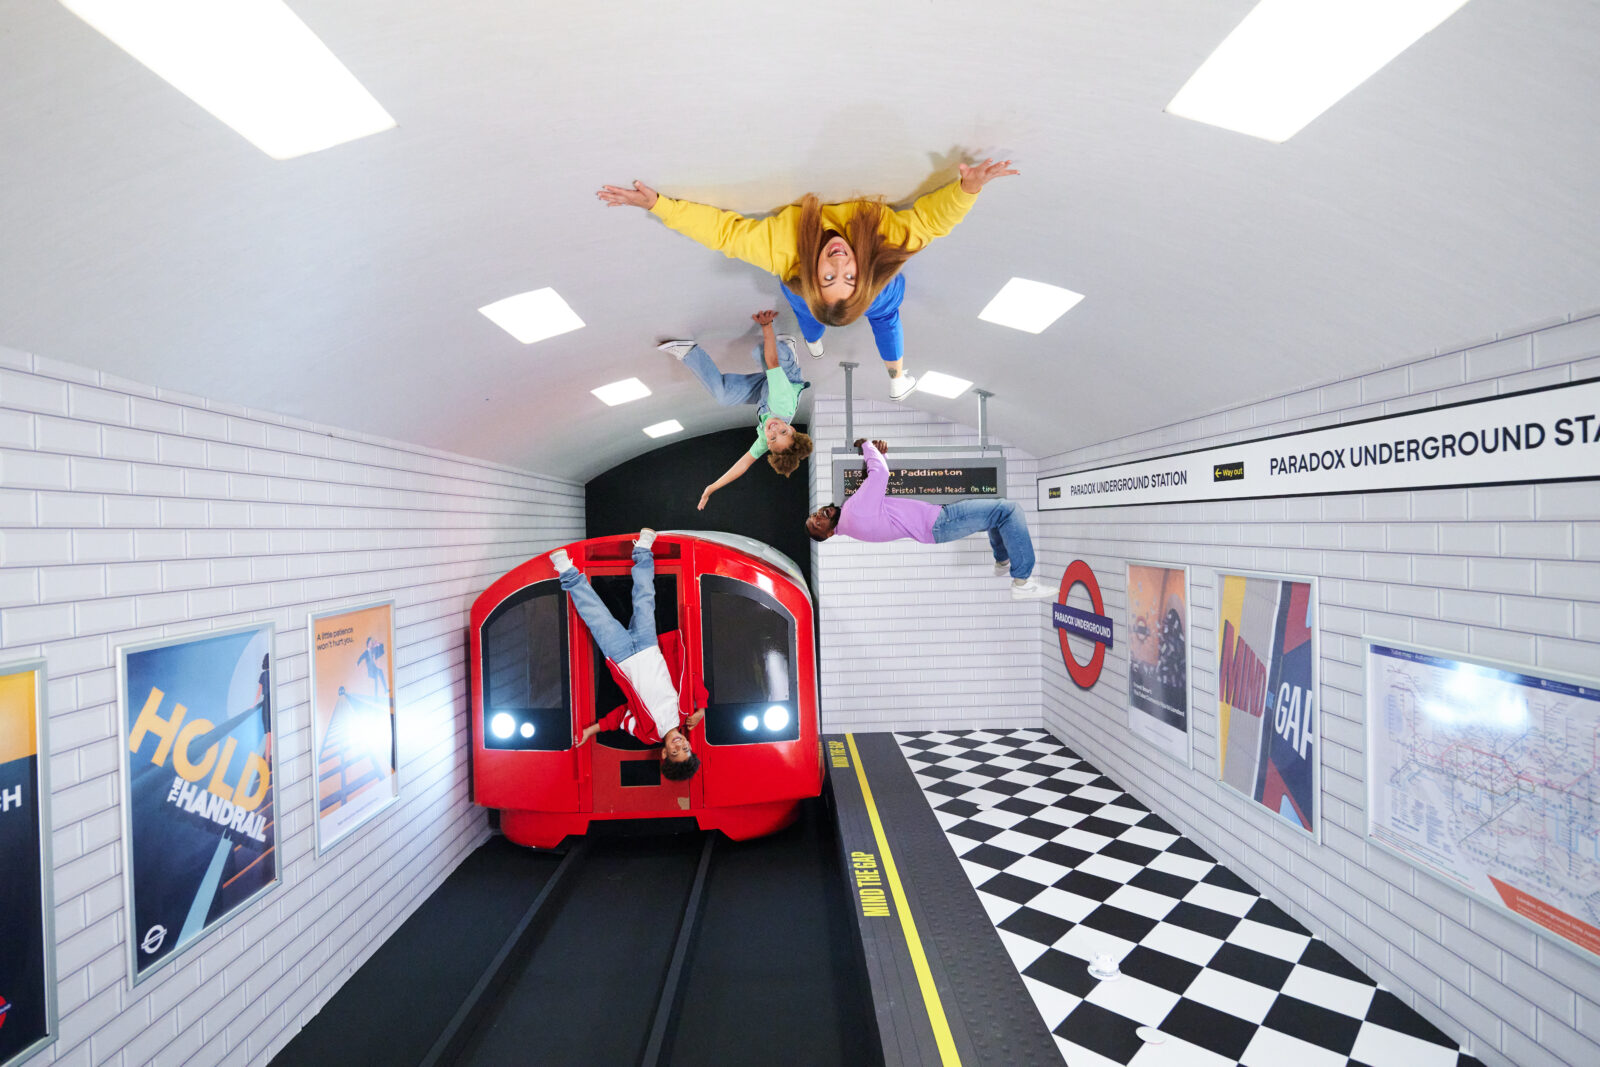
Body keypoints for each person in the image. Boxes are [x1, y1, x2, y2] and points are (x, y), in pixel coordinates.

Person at [598, 159, 1019, 401]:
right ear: (863, 273)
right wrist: (967, 188)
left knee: (875, 323)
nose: (840, 261)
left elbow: (721, 233)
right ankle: (825, 339)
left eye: (831, 275)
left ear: (809, 277)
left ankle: (895, 375)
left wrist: (658, 204)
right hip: (861, 292)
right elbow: (931, 221)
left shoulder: (783, 252)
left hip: (856, 299)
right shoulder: (883, 244)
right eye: (847, 274)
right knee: (835, 318)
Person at [806, 438, 1055, 600]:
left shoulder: (851, 522)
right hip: (941, 521)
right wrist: (866, 445)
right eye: (818, 525)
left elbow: (878, 490)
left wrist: (875, 455)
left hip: (935, 526)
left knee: (995, 516)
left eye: (814, 515)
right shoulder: (852, 513)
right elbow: (880, 473)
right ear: (828, 534)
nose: (818, 517)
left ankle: (1002, 561)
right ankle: (1022, 580)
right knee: (1007, 510)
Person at [553, 530, 704, 780]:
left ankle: (567, 572)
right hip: (648, 646)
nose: (679, 745)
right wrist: (702, 710)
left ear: (664, 754)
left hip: (621, 658)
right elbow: (694, 681)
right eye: (685, 748)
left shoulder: (647, 734)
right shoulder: (686, 714)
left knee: (595, 615)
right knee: (645, 598)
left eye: (676, 751)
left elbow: (620, 717)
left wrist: (591, 731)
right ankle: (643, 550)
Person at [659, 309, 814, 510]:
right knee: (763, 354)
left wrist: (710, 488)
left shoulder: (766, 440)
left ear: (768, 444)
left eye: (772, 438)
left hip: (764, 390)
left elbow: (743, 465)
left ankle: (689, 352)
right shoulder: (781, 404)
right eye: (783, 431)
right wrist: (767, 326)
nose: (774, 430)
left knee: (723, 396)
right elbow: (773, 362)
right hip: (786, 376)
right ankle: (788, 350)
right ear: (792, 429)